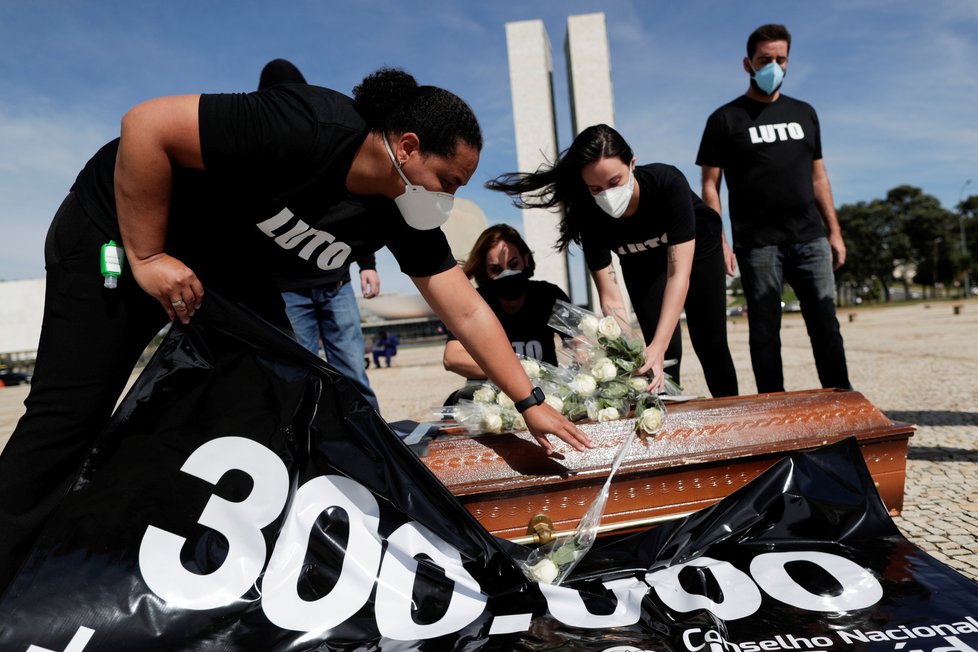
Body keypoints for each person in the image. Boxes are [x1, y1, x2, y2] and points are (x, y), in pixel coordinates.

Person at [0, 68, 592, 596]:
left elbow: (464, 309)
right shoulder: (309, 124)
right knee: (70, 415)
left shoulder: (399, 210)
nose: (450, 197)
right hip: (116, 232)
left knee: (275, 396)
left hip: (214, 266)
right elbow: (146, 125)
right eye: (448, 179)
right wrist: (148, 255)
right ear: (407, 149)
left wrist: (529, 401)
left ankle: (193, 551)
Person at [488, 125, 738, 397]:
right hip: (640, 261)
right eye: (595, 188)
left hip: (697, 250)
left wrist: (659, 345)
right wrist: (629, 349)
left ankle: (735, 421)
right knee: (660, 359)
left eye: (614, 182)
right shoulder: (588, 213)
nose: (606, 194)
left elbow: (679, 274)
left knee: (709, 343)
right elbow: (611, 299)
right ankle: (665, 425)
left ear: (632, 163)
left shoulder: (667, 182)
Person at [696, 23, 850, 393]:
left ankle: (842, 401)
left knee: (826, 323)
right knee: (765, 330)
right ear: (748, 63)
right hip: (758, 243)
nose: (774, 66)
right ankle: (773, 406)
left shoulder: (805, 113)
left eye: (781, 59)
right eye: (766, 60)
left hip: (810, 238)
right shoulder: (724, 119)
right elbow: (709, 186)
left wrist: (835, 231)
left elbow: (819, 178)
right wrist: (721, 241)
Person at [259, 58, 381, 409]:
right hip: (288, 291)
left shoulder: (324, 142)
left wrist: (367, 264)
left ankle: (375, 446)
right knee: (295, 373)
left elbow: (353, 210)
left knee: (353, 371)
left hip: (336, 285)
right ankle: (297, 449)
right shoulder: (262, 150)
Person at [442, 224, 571, 403]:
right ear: (485, 272)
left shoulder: (549, 296)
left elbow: (580, 343)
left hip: (546, 394)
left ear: (525, 260)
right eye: (496, 269)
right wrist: (516, 370)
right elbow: (452, 358)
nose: (506, 274)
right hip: (489, 400)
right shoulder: (476, 302)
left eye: (513, 264)